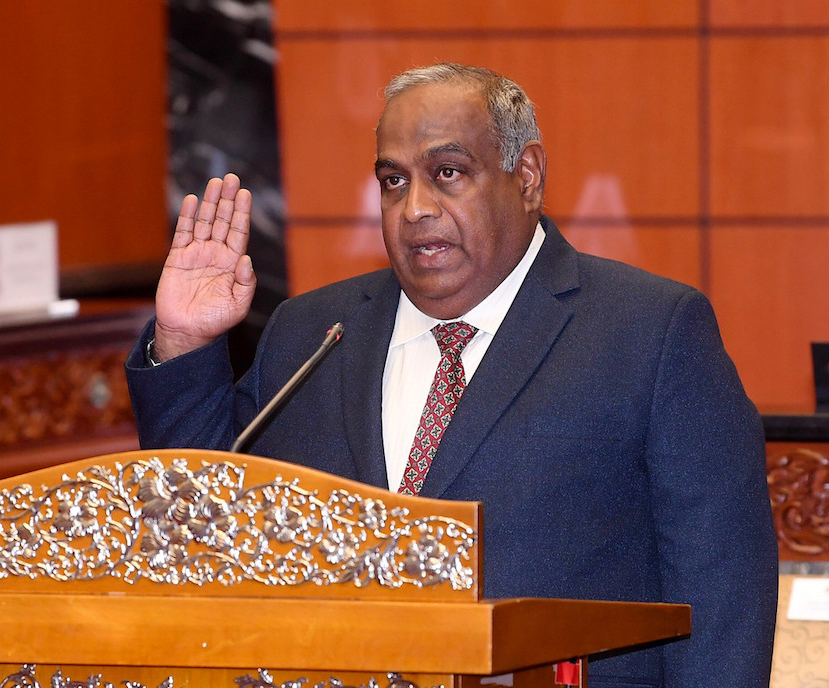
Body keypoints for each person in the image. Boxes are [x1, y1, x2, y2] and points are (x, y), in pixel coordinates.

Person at [126, 63, 778, 687]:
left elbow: (721, 593)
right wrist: (184, 341)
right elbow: (197, 523)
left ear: (526, 176)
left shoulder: (651, 332)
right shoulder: (312, 333)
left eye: (447, 172)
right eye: (394, 181)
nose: (415, 209)